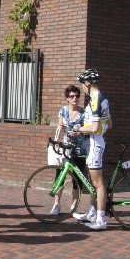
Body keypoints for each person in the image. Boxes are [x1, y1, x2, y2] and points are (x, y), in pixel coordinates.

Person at [73, 68, 111, 231]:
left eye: (82, 84)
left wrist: (79, 129)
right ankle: (92, 213)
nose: (82, 87)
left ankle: (101, 220)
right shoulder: (102, 98)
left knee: (98, 183)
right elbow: (109, 124)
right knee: (93, 181)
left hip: (95, 143)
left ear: (88, 83)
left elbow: (94, 128)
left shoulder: (95, 99)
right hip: (95, 141)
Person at [50, 84, 87, 215]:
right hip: (66, 147)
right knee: (60, 175)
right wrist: (61, 127)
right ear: (67, 98)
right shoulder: (63, 110)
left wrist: (81, 133)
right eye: (72, 96)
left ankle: (73, 206)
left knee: (77, 178)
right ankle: (56, 204)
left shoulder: (84, 113)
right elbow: (60, 125)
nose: (75, 98)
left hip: (80, 149)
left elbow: (87, 129)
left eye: (77, 96)